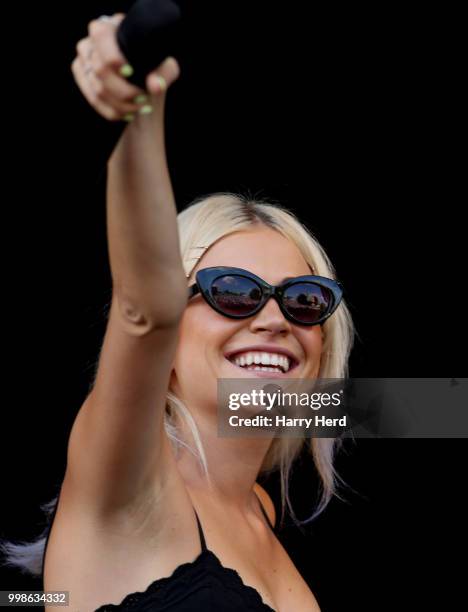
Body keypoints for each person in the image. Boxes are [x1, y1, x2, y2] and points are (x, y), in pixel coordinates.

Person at [37, 12, 355, 611]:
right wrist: (139, 116)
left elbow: (427, 408)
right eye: (233, 291)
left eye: (304, 300)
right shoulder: (130, 482)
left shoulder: (256, 505)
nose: (275, 319)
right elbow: (143, 311)